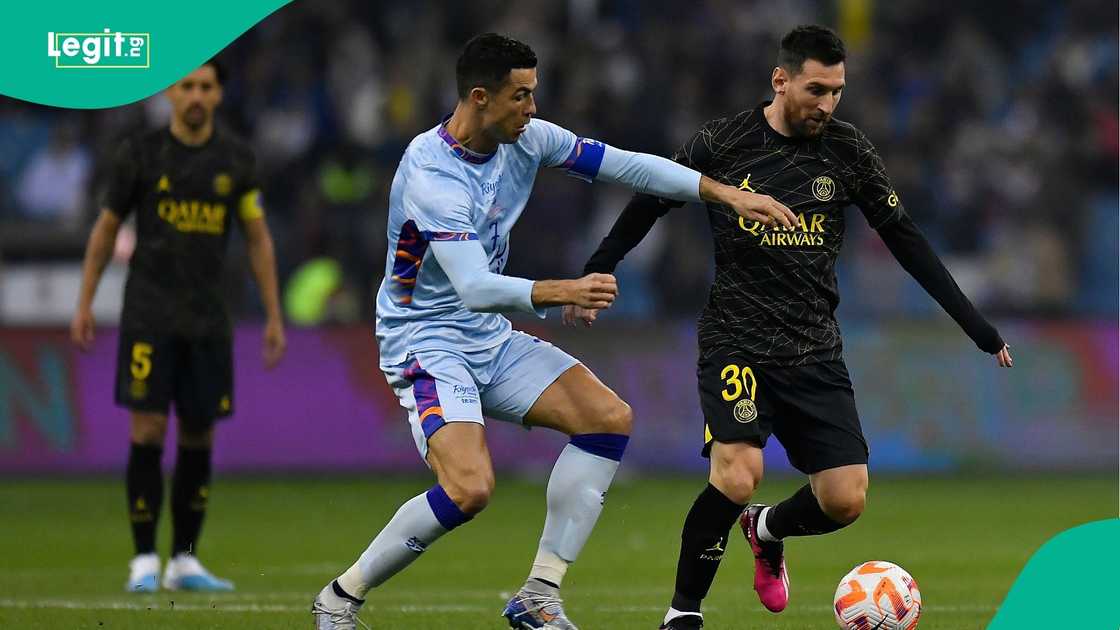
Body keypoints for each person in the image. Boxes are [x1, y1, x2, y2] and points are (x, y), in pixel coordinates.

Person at [310, 33, 796, 630]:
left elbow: (627, 165)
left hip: (487, 335)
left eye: (533, 93)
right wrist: (564, 290)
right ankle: (341, 596)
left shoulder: (529, 139)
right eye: (520, 95)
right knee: (469, 488)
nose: (532, 108)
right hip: (426, 341)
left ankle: (539, 593)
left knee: (607, 419)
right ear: (480, 97)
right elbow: (473, 285)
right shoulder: (431, 174)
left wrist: (720, 194)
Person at [565, 25, 1013, 629]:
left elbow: (905, 240)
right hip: (736, 341)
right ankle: (683, 613)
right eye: (816, 90)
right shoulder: (724, 141)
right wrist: (598, 267)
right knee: (737, 474)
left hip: (814, 349)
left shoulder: (849, 151)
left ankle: (767, 529)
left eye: (837, 92)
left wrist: (978, 327)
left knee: (845, 499)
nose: (827, 104)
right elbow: (651, 196)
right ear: (781, 80)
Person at [70, 60, 287, 593]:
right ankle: (144, 558)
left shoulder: (235, 160)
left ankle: (184, 560)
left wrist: (273, 314)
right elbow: (106, 229)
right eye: (187, 86)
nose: (196, 95)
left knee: (199, 433)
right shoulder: (140, 154)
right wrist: (84, 302)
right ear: (170, 93)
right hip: (149, 315)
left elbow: (257, 237)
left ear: (218, 96)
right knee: (147, 430)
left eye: (205, 87)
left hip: (208, 320)